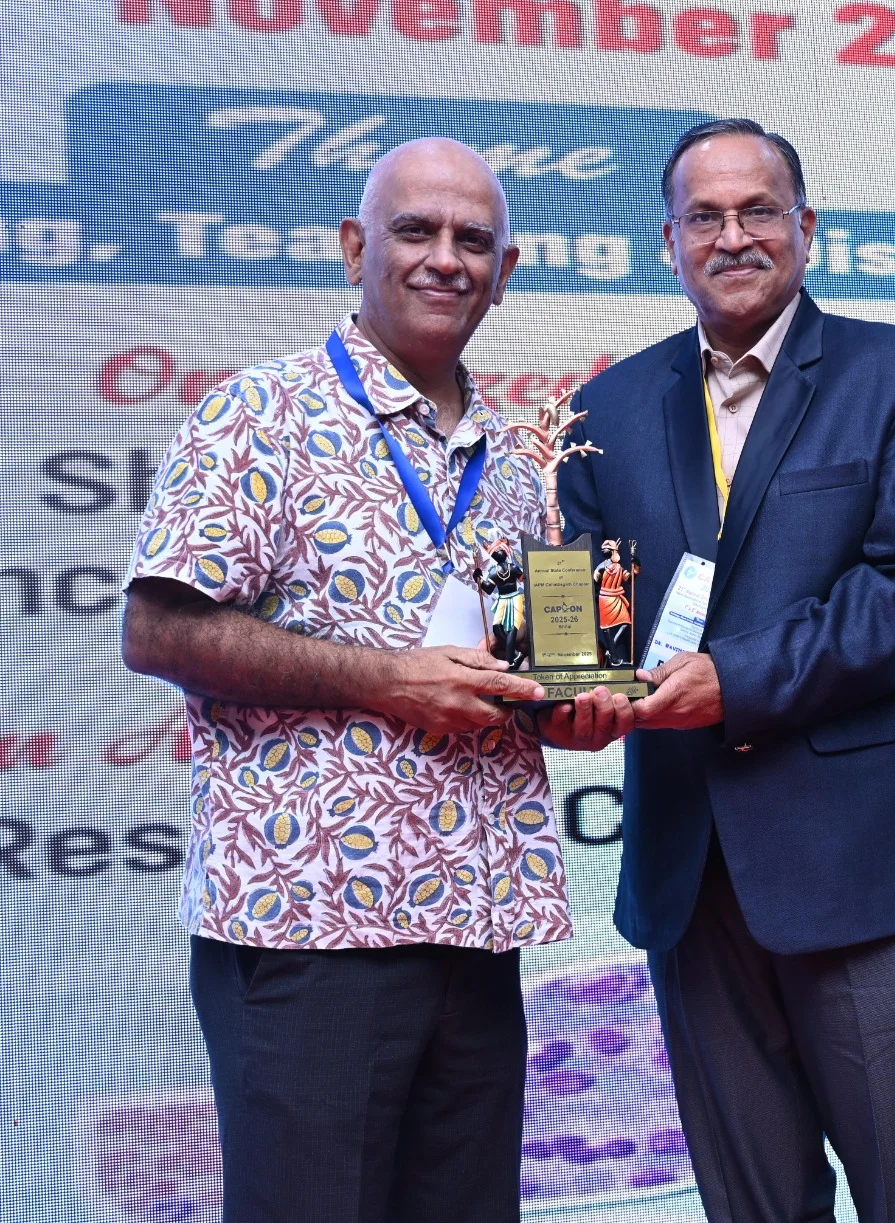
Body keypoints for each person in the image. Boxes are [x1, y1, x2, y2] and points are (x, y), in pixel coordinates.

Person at [121, 137, 631, 1223]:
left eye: (473, 240)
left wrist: (577, 708)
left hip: (475, 927)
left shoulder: (522, 461)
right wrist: (384, 679)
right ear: (356, 248)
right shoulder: (260, 412)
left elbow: (535, 671)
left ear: (505, 271)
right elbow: (157, 628)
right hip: (310, 930)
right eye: (415, 230)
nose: (445, 258)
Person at [556, 118, 895, 1223]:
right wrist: (557, 686)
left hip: (867, 873)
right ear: (668, 240)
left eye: (757, 210)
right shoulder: (602, 409)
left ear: (807, 225)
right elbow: (584, 620)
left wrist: (730, 680)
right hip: (689, 876)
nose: (732, 236)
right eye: (704, 216)